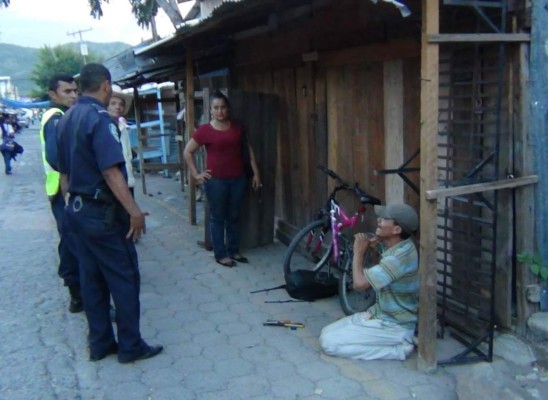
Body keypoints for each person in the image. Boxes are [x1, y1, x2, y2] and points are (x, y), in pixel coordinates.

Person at [57, 63, 162, 363]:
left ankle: (100, 343)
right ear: (105, 85)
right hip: (102, 214)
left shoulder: (67, 118)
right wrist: (134, 211)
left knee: (91, 279)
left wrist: (70, 206)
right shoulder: (98, 118)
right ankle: (130, 346)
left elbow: (63, 171)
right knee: (124, 277)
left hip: (77, 212)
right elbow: (110, 170)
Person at [319, 203, 419, 361]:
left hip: (394, 324)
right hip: (380, 314)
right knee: (326, 332)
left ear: (397, 230)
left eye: (385, 219)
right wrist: (373, 249)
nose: (379, 220)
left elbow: (359, 285)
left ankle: (399, 350)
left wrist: (359, 252)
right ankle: (390, 339)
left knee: (329, 343)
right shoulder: (397, 245)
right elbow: (382, 271)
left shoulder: (399, 257)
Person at [183, 91, 261, 267]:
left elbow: (248, 150)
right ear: (210, 110)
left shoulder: (237, 127)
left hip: (238, 179)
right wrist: (196, 174)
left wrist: (256, 173)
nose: (220, 111)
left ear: (228, 108)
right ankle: (220, 254)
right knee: (217, 218)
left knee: (234, 216)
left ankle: (233, 250)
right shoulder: (204, 131)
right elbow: (188, 151)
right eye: (216, 108)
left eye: (223, 107)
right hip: (216, 181)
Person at [39, 74, 83, 313]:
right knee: (74, 243)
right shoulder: (55, 118)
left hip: (59, 190)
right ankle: (80, 294)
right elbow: (57, 158)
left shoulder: (61, 116)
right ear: (53, 95)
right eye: (67, 92)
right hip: (64, 191)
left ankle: (76, 294)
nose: (73, 96)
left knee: (69, 242)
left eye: (75, 91)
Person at [107, 85, 136, 196]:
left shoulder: (122, 127)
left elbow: (127, 155)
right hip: (112, 185)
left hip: (127, 180)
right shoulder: (103, 127)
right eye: (113, 103)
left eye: (121, 104)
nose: (117, 107)